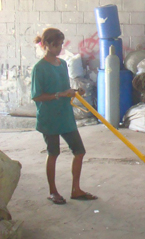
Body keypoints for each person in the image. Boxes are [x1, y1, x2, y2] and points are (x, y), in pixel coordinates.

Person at [31, 28, 97, 205]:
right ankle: (53, 191)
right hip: (49, 117)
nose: (59, 48)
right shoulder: (39, 68)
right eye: (56, 45)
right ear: (46, 45)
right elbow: (37, 96)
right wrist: (59, 95)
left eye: (61, 44)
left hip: (65, 116)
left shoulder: (62, 64)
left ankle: (76, 189)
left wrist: (75, 92)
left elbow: (64, 88)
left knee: (80, 151)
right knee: (53, 153)